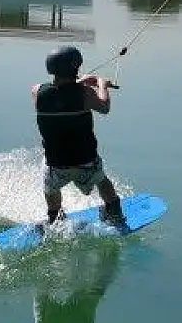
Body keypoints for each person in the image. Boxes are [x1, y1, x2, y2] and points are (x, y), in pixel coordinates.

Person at [32, 45, 127, 231]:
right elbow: (104, 107)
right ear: (75, 67)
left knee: (50, 185)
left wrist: (80, 82)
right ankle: (114, 213)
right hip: (86, 162)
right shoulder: (85, 93)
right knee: (103, 181)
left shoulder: (36, 92)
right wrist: (101, 84)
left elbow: (62, 95)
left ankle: (54, 219)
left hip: (56, 164)